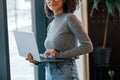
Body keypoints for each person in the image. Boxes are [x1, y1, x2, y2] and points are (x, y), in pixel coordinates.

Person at [26, 0, 93, 80]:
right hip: (48, 71)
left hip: (65, 72)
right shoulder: (51, 25)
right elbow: (50, 53)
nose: (52, 1)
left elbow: (88, 46)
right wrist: (37, 60)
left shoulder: (70, 18)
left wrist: (59, 55)